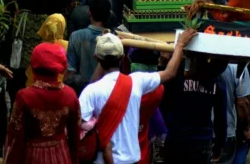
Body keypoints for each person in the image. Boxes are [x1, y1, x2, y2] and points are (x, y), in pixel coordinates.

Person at [79, 30, 197, 164]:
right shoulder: (137, 81)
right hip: (132, 160)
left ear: (96, 58)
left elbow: (81, 126)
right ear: (123, 56)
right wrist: (180, 45)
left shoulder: (90, 91)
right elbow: (169, 73)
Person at [3, 43, 80, 164]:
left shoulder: (24, 96)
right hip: (61, 155)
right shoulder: (70, 95)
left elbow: (16, 137)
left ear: (34, 64)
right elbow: (75, 135)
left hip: (32, 156)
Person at [161, 55, 228, 164]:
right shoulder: (216, 79)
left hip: (177, 137)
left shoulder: (176, 72)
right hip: (200, 140)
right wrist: (219, 144)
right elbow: (221, 117)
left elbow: (164, 105)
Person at [66, 0, 111, 80]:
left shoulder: (75, 36)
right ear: (109, 15)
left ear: (89, 13)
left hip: (81, 90)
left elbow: (70, 71)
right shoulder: (114, 39)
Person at [216, 64, 250, 163]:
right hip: (226, 130)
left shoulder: (196, 58)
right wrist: (246, 128)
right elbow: (242, 103)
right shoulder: (238, 65)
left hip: (201, 129)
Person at [25, 13, 68, 87]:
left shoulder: (39, 47)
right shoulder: (67, 46)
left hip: (37, 87)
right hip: (58, 87)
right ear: (62, 27)